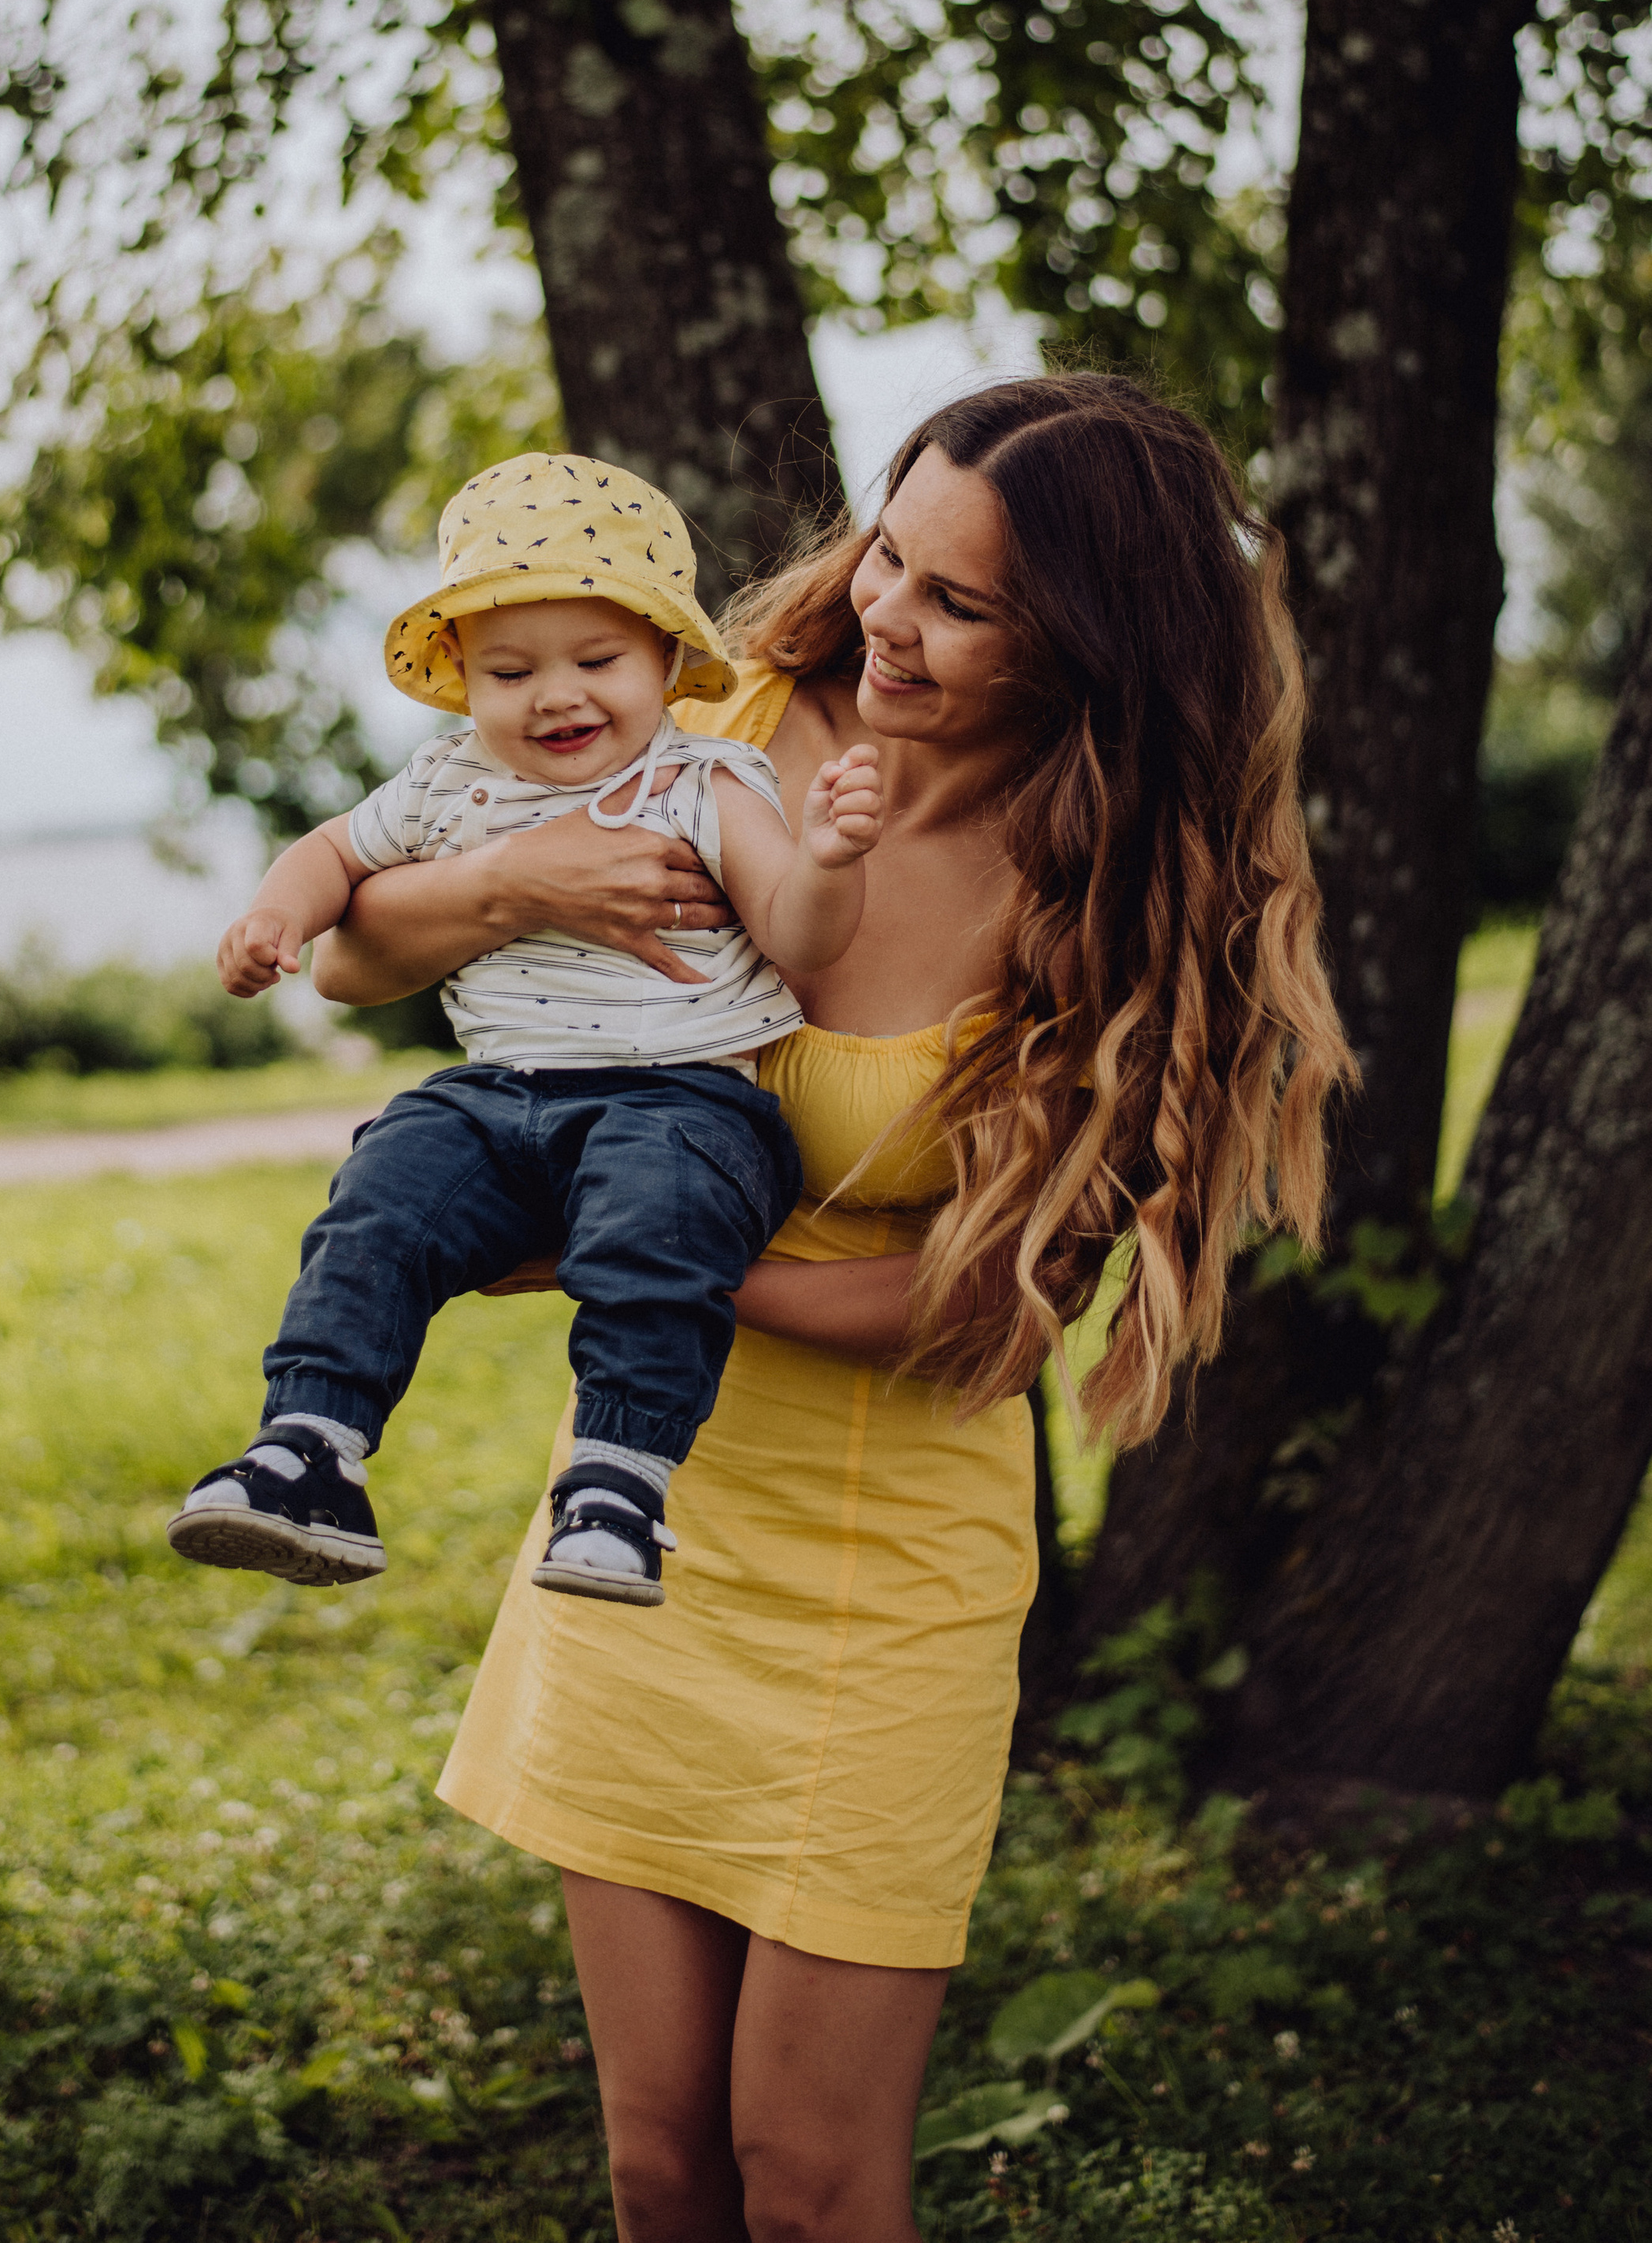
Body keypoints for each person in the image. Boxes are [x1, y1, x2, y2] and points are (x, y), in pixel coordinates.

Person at [312, 377, 1356, 2243]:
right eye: (891, 552)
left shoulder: (1108, 889)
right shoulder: (699, 724)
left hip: (885, 1578)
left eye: (960, 603)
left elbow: (994, 1323)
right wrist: (503, 878)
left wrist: (632, 1268)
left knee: (804, 2184)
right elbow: (347, 949)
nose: (885, 612)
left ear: (1087, 644)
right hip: (635, 1532)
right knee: (660, 2172)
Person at [166, 451, 885, 1606]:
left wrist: (832, 858)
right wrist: (273, 917)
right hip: (502, 1093)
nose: (556, 696)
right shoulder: (447, 780)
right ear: (462, 676)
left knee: (657, 1228)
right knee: (382, 1188)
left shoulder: (701, 781)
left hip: (684, 1097)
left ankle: (616, 1480)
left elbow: (800, 937)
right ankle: (309, 1446)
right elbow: (333, 856)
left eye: (597, 660)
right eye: (512, 670)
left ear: (665, 661)